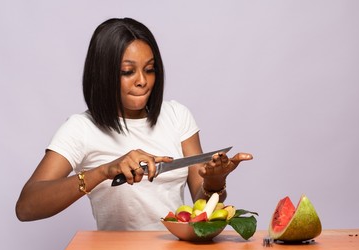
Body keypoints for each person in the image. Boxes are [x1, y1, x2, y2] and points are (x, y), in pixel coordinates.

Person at [15, 17, 253, 230]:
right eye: (128, 71)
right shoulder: (81, 129)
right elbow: (26, 207)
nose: (143, 81)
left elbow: (203, 208)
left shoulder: (177, 116)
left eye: (150, 69)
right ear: (103, 75)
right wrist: (102, 171)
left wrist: (215, 181)